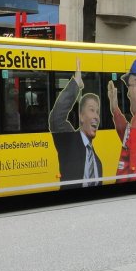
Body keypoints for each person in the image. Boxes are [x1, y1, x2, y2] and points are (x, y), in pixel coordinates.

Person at [49, 61, 101, 189]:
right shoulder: (70, 140)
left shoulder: (98, 162)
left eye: (98, 112)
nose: (96, 116)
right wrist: (76, 84)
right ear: (81, 116)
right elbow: (56, 118)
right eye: (91, 110)